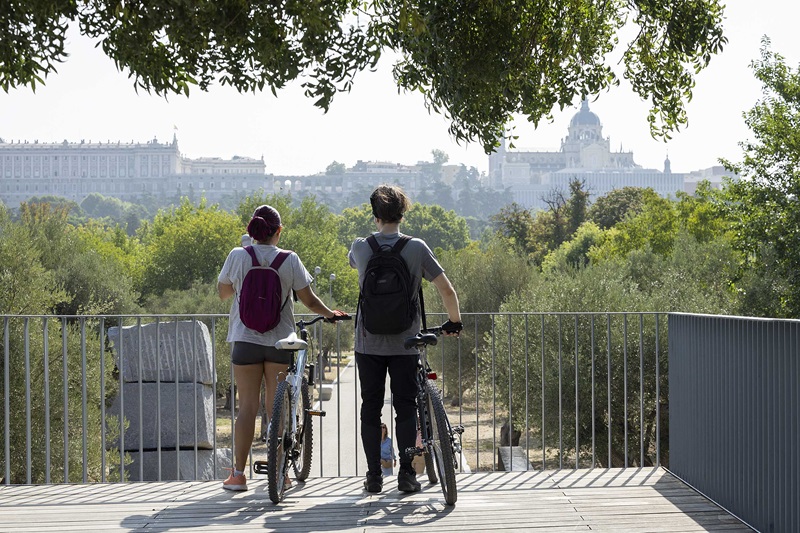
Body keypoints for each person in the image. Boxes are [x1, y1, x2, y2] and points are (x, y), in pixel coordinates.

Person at [218, 204, 346, 491]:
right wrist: (330, 314)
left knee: (246, 408)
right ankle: (280, 473)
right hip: (280, 342)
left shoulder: (237, 256)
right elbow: (310, 300)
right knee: (277, 410)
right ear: (278, 231)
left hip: (244, 342)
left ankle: (238, 475)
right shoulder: (290, 259)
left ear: (253, 230)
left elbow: (223, 292)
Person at [349, 184, 462, 494]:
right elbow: (447, 290)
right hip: (406, 343)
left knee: (370, 406)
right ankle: (407, 476)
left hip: (367, 342)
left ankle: (374, 476)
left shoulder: (361, 247)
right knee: (406, 407)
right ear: (402, 213)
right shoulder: (416, 248)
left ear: (375, 215)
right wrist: (454, 321)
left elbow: (353, 264)